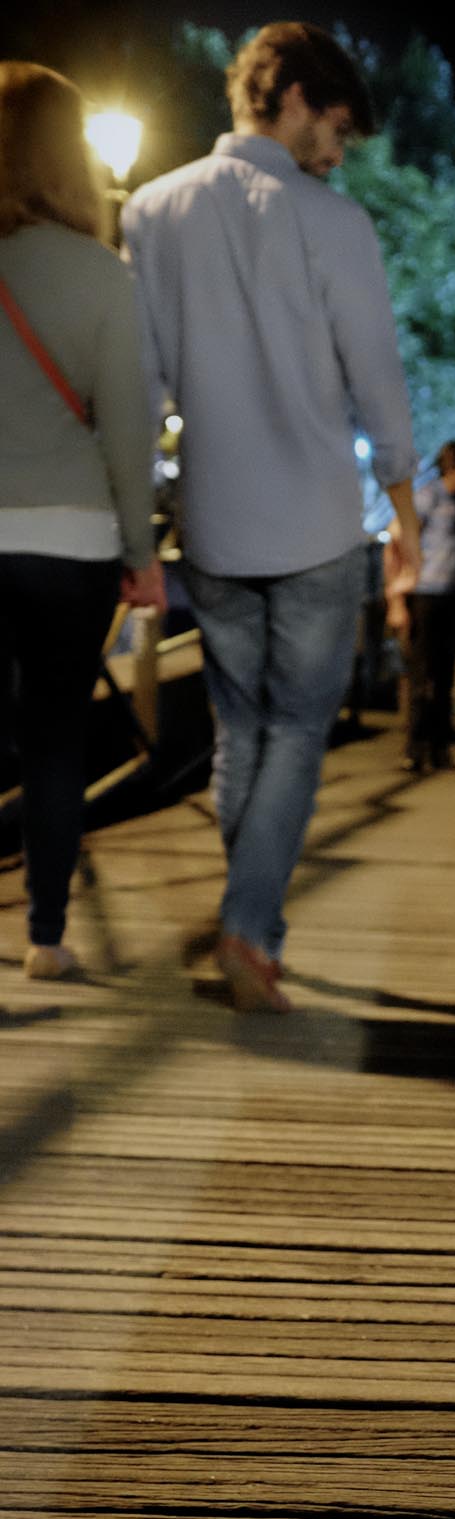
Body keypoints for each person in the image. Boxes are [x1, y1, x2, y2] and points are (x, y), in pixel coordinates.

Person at [122, 21, 420, 1013]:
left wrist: (136, 518)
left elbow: (146, 379)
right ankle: (249, 931)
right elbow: (376, 375)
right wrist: (410, 510)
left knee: (241, 730)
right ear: (290, 94)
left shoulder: (155, 211)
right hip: (317, 523)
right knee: (295, 729)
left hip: (210, 518)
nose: (338, 154)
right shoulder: (336, 223)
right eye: (335, 127)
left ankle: (254, 925)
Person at [0, 62, 164, 980]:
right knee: (55, 739)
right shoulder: (105, 278)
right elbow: (129, 436)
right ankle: (47, 935)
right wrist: (141, 556)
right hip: (72, 546)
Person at [403, 439, 455, 775]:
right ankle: (414, 748)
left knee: (447, 675)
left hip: (453, 597)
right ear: (454, 465)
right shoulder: (428, 496)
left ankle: (440, 749)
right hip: (425, 593)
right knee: (422, 675)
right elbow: (404, 536)